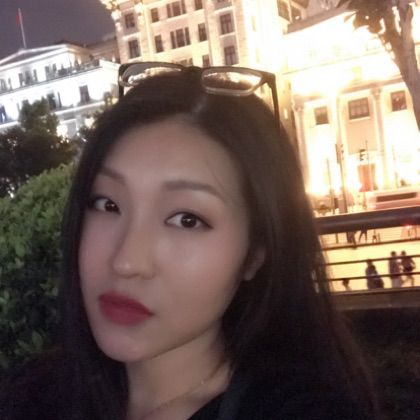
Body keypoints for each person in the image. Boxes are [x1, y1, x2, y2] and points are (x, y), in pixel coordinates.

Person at [0, 63, 380, 419]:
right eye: (107, 204)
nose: (127, 261)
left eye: (187, 220)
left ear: (254, 253)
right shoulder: (36, 394)